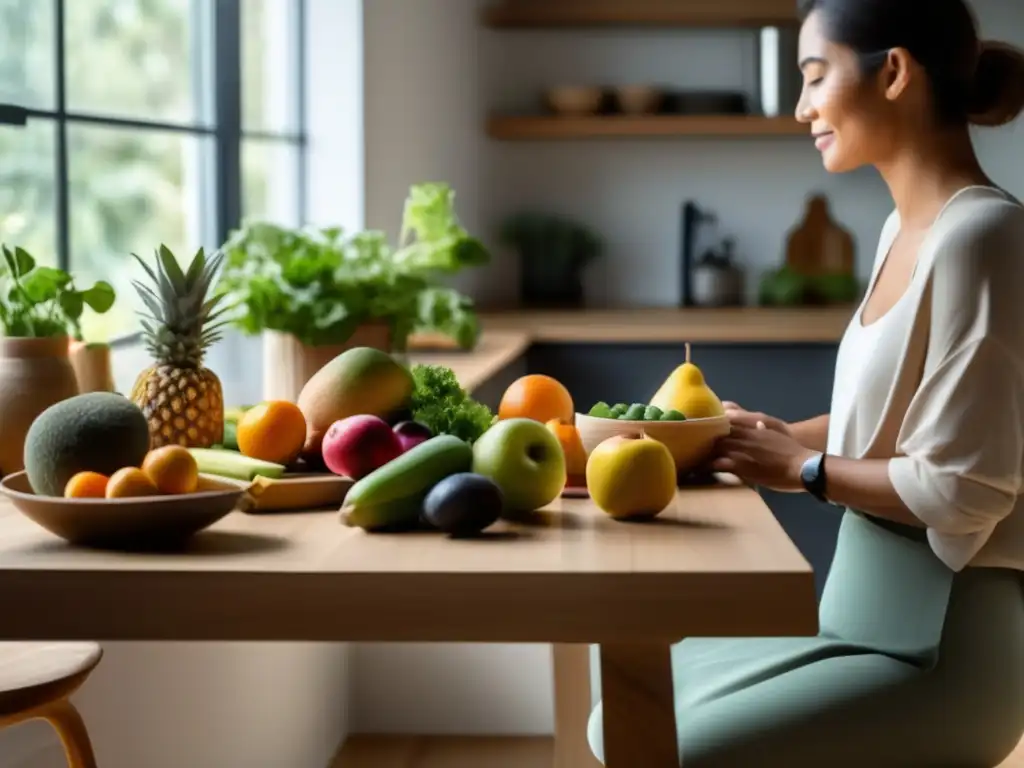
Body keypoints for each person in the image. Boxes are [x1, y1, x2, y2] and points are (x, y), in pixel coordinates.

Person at [587, 0, 1024, 765]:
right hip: (854, 618)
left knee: (668, 743)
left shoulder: (985, 237)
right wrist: (773, 438)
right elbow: (893, 425)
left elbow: (965, 490)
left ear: (893, 72)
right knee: (621, 715)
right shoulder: (903, 231)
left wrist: (802, 470)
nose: (800, 108)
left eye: (815, 77)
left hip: (940, 654)